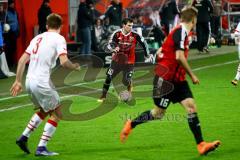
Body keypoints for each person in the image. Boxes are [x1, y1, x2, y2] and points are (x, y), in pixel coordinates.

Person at [120, 6, 221, 155]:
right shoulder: (180, 32)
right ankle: (131, 124)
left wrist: (163, 51)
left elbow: (163, 48)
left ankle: (201, 145)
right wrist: (192, 75)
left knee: (191, 107)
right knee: (159, 113)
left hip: (178, 80)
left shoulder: (181, 32)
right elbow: (179, 57)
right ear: (193, 20)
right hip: (164, 81)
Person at [11, 13, 80, 156]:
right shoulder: (59, 39)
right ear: (61, 27)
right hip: (42, 82)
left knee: (44, 110)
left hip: (29, 81)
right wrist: (74, 66)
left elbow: (22, 60)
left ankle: (23, 137)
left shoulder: (37, 38)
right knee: (57, 113)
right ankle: (41, 148)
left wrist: (17, 81)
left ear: (47, 26)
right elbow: (64, 62)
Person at [97, 18, 153, 102]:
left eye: (132, 26)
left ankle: (128, 91)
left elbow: (144, 43)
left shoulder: (135, 35)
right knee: (109, 77)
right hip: (116, 60)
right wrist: (113, 48)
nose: (131, 27)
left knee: (126, 80)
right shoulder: (117, 34)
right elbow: (110, 44)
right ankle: (103, 96)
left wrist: (147, 54)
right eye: (129, 25)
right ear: (124, 25)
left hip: (129, 61)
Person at [4, 0, 19, 67]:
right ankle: (8, 63)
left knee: (14, 48)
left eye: (13, 4)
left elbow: (17, 22)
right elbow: (5, 24)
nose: (13, 5)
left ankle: (12, 62)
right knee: (8, 49)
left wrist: (18, 31)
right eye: (11, 4)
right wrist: (7, 31)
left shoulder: (15, 12)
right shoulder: (6, 13)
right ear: (9, 5)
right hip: (8, 34)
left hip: (15, 33)